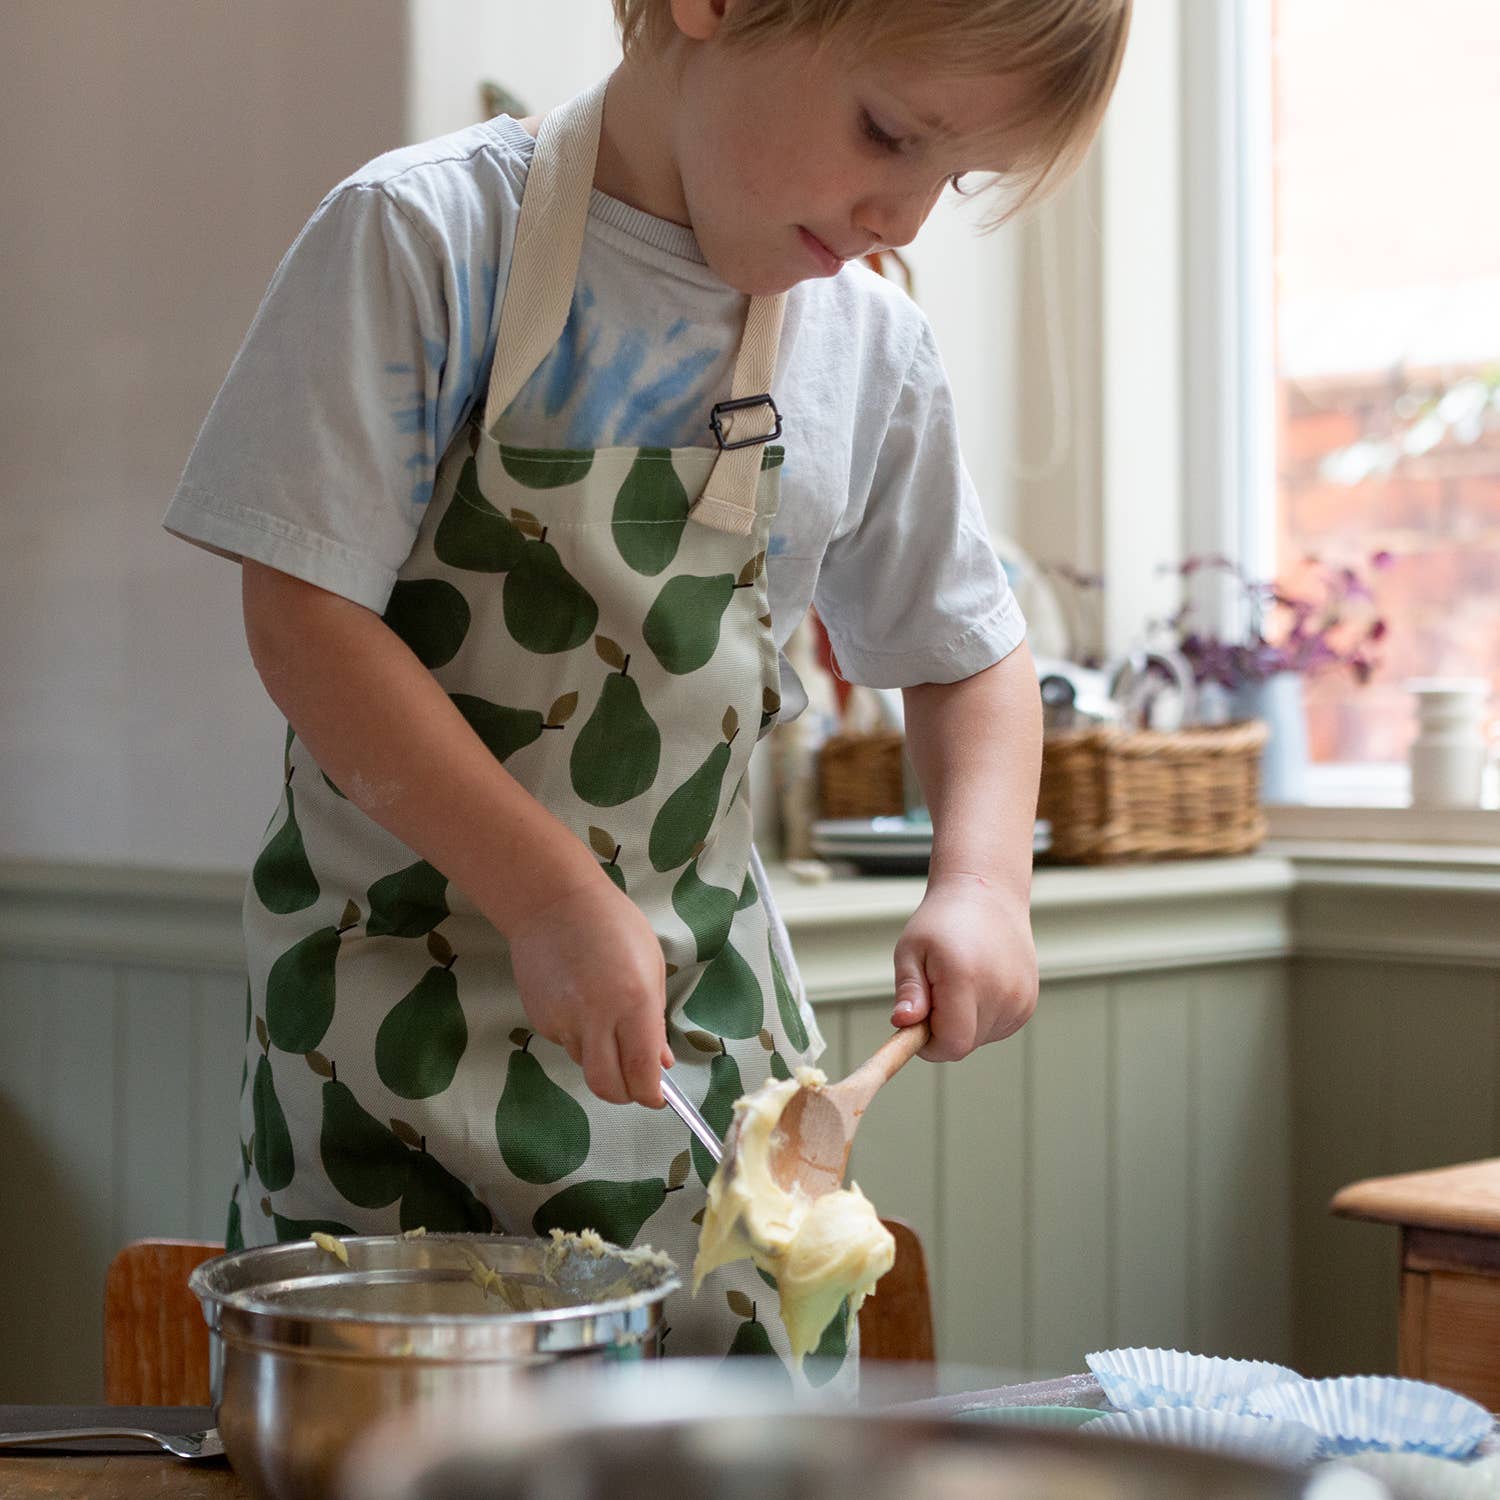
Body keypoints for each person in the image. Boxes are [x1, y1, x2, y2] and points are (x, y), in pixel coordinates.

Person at [162, 0, 1131, 1368]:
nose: (904, 216)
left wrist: (984, 887)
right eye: (887, 133)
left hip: (704, 1090)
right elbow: (306, 618)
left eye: (949, 176)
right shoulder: (423, 242)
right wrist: (548, 894)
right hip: (382, 1070)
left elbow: (970, 655)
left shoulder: (865, 348)